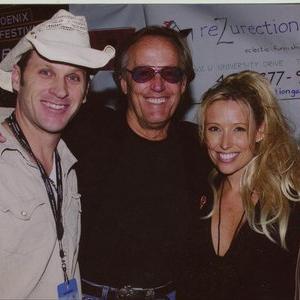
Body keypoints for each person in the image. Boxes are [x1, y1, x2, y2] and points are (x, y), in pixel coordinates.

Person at [63, 26, 211, 300]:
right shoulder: (86, 131)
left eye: (170, 73)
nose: (157, 85)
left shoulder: (200, 145)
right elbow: (33, 117)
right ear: (123, 82)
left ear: (183, 83)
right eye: (143, 73)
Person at [0, 9, 115, 299]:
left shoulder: (68, 163)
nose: (60, 90)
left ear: (86, 92)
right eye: (46, 72)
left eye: (74, 77)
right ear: (17, 78)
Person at [178, 70, 300, 300]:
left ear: (260, 131)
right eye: (214, 129)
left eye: (239, 129)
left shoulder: (289, 201)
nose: (225, 143)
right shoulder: (198, 192)